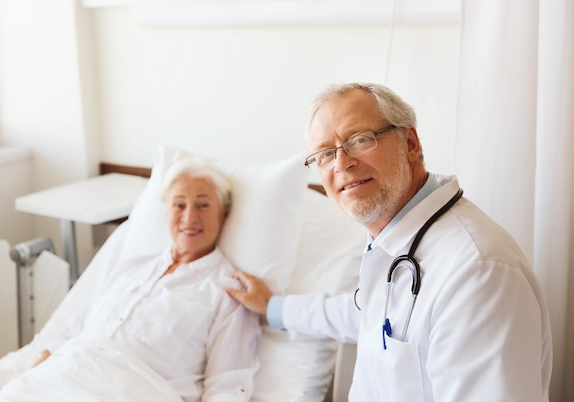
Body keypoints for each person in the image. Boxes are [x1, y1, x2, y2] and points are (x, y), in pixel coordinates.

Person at [227, 83, 552, 401]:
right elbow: (362, 315)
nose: (342, 163)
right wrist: (273, 307)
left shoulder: (477, 274)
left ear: (410, 143)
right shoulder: (397, 243)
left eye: (360, 140)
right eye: (325, 154)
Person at [0, 159, 260, 402]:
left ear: (224, 213)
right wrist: (13, 388)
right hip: (62, 378)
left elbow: (227, 386)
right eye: (179, 205)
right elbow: (65, 337)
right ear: (166, 212)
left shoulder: (229, 290)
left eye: (203, 205)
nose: (189, 216)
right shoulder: (131, 265)